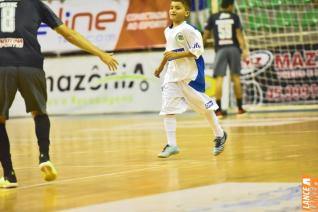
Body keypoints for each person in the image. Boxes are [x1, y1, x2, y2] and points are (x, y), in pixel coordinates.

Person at [0, 0, 118, 188]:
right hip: (31, 65)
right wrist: (100, 53)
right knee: (39, 112)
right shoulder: (35, 4)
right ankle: (44, 156)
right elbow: (68, 34)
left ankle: (9, 175)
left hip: (2, 66)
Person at [154, 0, 227, 158]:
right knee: (168, 108)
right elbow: (169, 53)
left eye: (177, 8)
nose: (173, 10)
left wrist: (177, 55)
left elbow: (197, 51)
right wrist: (160, 68)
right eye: (171, 7)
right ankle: (172, 144)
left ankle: (220, 134)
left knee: (204, 108)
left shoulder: (189, 30)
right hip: (172, 76)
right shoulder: (168, 31)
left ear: (186, 13)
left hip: (190, 76)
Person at [203, 0, 249, 116]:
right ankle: (240, 108)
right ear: (230, 6)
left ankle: (218, 110)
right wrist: (244, 50)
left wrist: (200, 47)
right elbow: (239, 34)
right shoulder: (234, 16)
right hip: (234, 48)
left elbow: (206, 34)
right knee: (236, 78)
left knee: (219, 78)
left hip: (221, 49)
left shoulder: (213, 17)